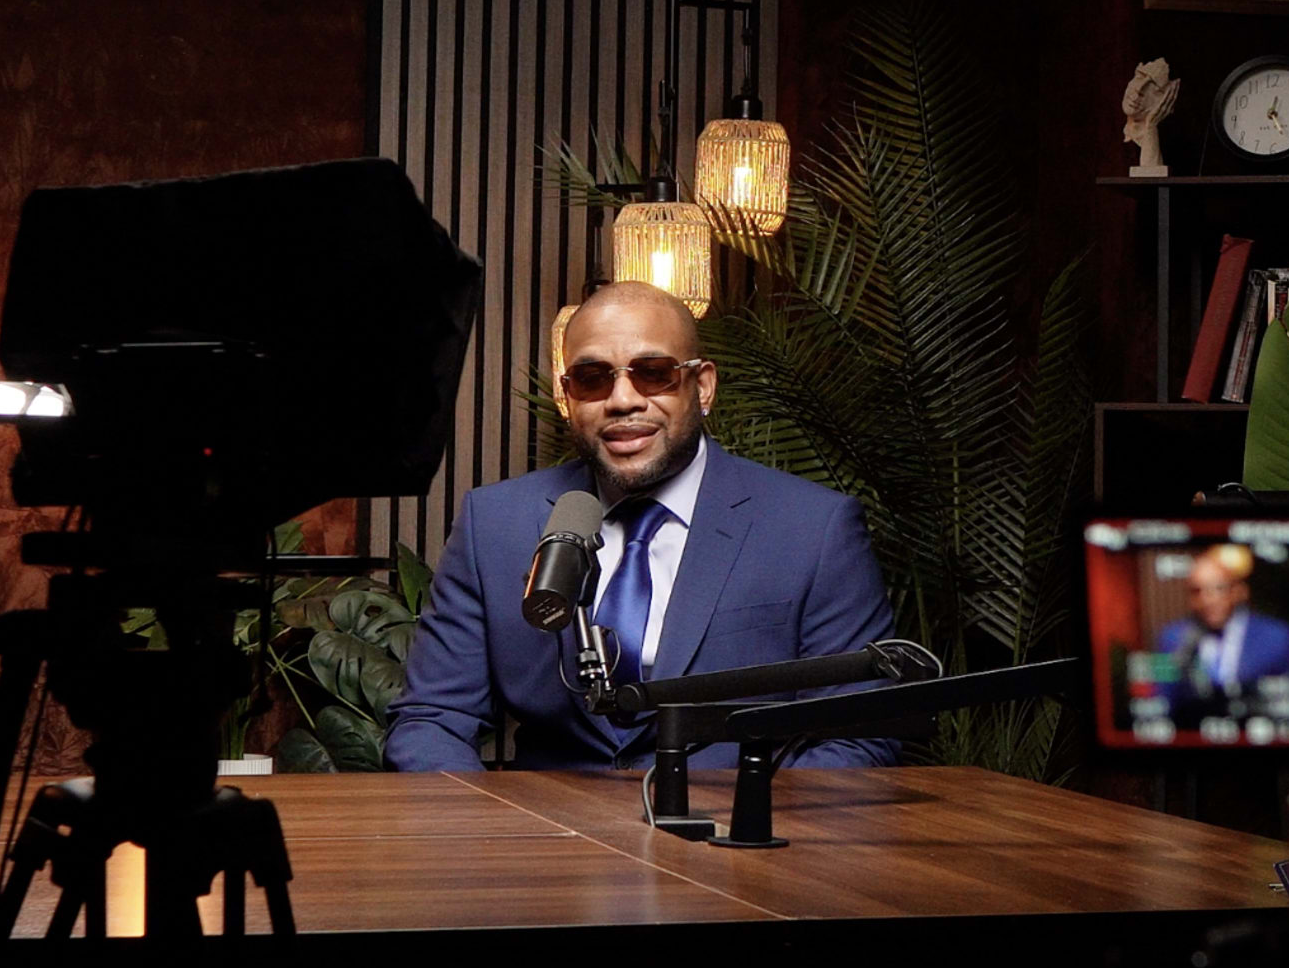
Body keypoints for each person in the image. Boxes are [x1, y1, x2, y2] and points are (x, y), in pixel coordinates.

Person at [387, 280, 903, 772]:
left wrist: (744, 837)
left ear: (702, 386)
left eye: (653, 372)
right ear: (569, 397)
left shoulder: (813, 527)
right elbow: (431, 720)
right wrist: (498, 839)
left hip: (735, 843)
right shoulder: (494, 524)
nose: (622, 399)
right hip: (549, 843)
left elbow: (856, 733)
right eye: (592, 379)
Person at [1154, 543, 1289, 702]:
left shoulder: (1278, 637)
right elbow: (1161, 698)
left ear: (1239, 591)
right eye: (1197, 591)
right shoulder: (1170, 639)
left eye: (1218, 589)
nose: (1207, 600)